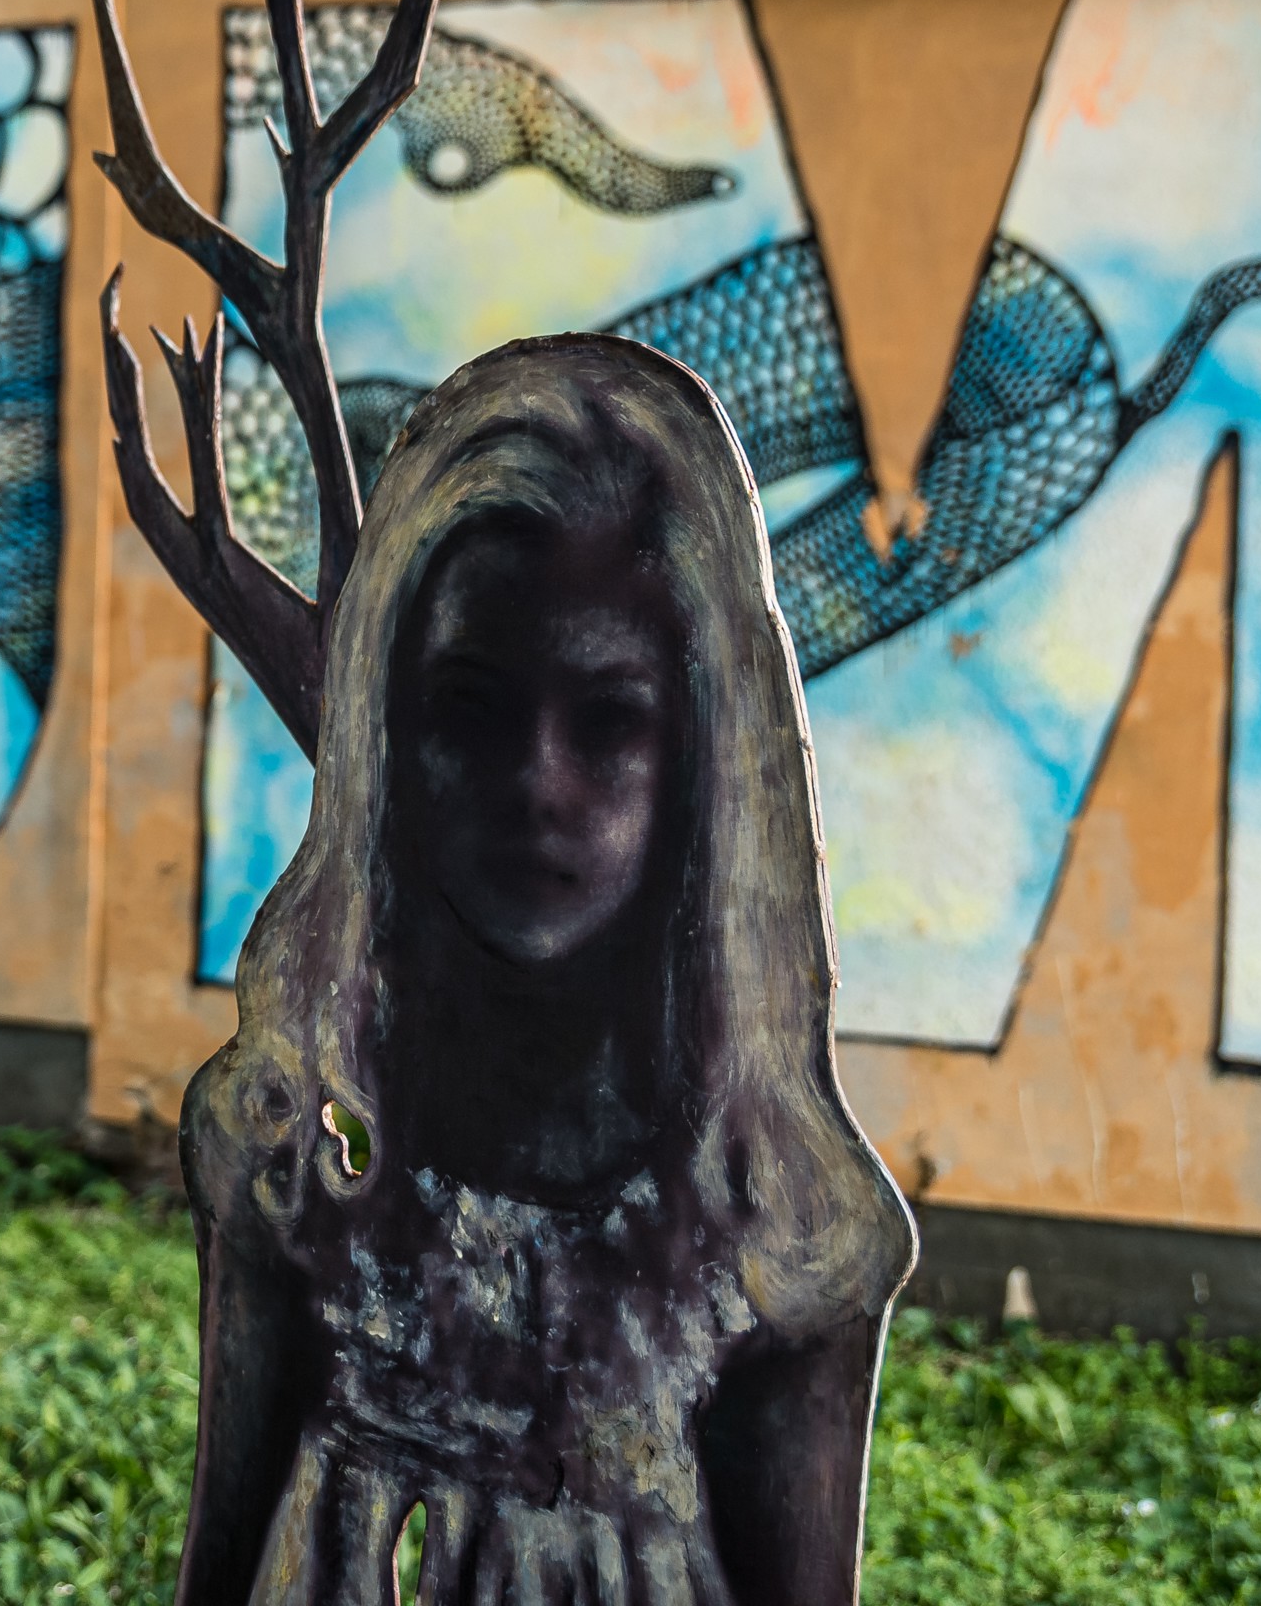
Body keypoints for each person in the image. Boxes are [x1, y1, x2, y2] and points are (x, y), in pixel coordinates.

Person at [177, 333, 915, 1606]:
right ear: (389, 731)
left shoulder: (775, 1234)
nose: (536, 786)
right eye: (468, 709)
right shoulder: (294, 1163)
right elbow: (221, 1549)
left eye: (609, 720)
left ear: (701, 755)